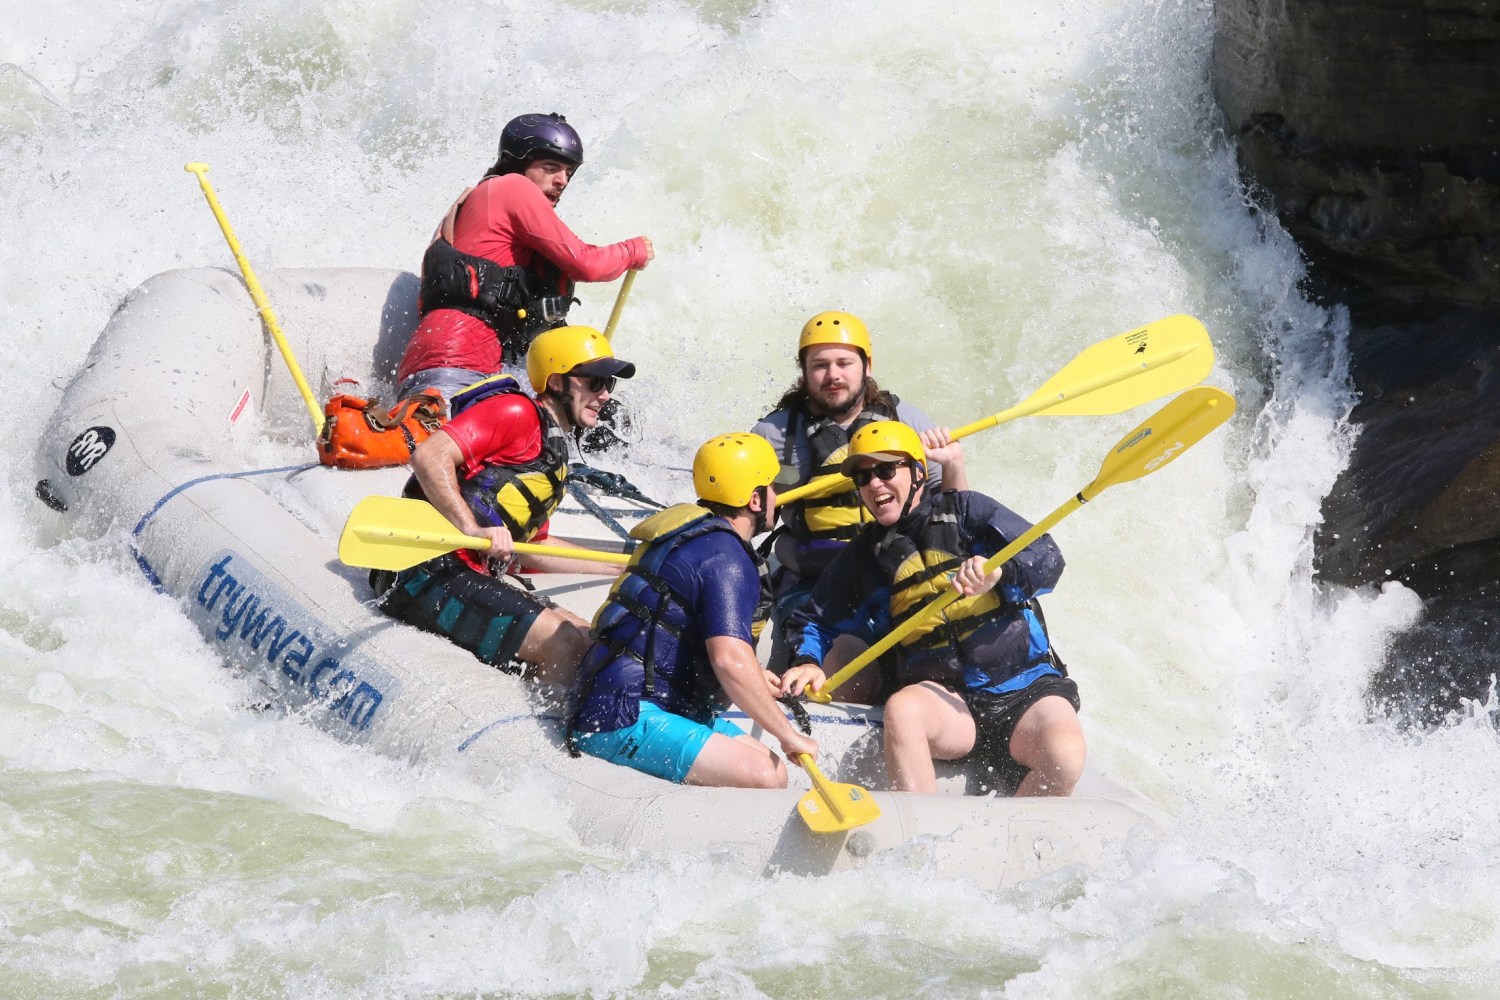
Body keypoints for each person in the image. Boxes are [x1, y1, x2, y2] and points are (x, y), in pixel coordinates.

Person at [780, 421, 1085, 798]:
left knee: (1065, 756)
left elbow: (1047, 558)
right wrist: (809, 659)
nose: (874, 484)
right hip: (946, 700)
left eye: (886, 470)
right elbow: (815, 619)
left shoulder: (968, 511)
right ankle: (917, 842)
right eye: (862, 476)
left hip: (1024, 687)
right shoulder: (865, 556)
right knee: (903, 709)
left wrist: (1000, 574)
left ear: (918, 472)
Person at [373, 325, 635, 692]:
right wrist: (471, 528)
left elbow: (537, 548)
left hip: (467, 573)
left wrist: (627, 567)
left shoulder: (552, 449)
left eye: (609, 384)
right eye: (594, 382)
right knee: (563, 641)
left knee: (589, 640)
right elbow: (429, 456)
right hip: (424, 571)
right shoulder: (516, 412)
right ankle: (549, 738)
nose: (605, 395)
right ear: (558, 382)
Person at [570, 433, 820, 788]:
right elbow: (728, 660)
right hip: (622, 714)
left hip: (639, 698)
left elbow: (682, 631)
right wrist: (789, 735)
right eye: (772, 488)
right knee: (769, 774)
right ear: (754, 499)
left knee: (759, 755)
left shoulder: (690, 535)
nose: (777, 497)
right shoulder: (727, 558)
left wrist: (753, 675)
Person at [395, 112, 654, 409]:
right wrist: (631, 250)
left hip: (448, 363)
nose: (562, 181)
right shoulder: (512, 187)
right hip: (456, 365)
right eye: (550, 168)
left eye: (568, 172)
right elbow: (586, 263)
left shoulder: (484, 202)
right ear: (516, 163)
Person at [750, 310, 948, 661]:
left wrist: (954, 463)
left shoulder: (907, 422)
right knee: (845, 661)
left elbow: (949, 508)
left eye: (844, 363)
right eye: (820, 365)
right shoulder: (775, 435)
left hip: (895, 572)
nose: (833, 375)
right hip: (815, 579)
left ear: (866, 365)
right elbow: (750, 520)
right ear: (805, 371)